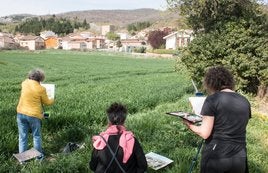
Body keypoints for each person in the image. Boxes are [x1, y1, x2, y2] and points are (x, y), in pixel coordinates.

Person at [184, 66, 251, 173]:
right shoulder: (244, 101)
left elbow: (204, 133)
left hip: (217, 156)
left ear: (211, 82)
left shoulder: (212, 99)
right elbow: (234, 124)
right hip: (240, 156)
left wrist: (189, 124)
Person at [89, 102, 147, 173]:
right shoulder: (131, 140)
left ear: (109, 121)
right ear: (124, 120)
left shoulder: (100, 141)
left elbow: (92, 166)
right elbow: (143, 165)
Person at [16, 68, 54, 161]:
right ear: (41, 78)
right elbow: (47, 102)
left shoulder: (24, 83)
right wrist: (52, 97)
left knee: (22, 137)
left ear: (30, 76)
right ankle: (39, 158)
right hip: (34, 115)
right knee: (36, 136)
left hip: (20, 113)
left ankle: (22, 160)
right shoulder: (41, 89)